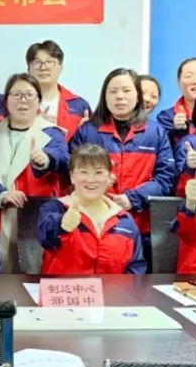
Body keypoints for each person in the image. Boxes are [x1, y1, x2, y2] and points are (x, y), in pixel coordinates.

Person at [69, 68, 174, 270]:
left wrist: (133, 198)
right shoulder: (88, 131)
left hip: (141, 224)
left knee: (137, 282)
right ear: (104, 96)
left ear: (137, 95)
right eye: (113, 91)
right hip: (93, 223)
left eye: (126, 90)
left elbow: (166, 178)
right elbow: (71, 172)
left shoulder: (155, 132)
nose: (120, 96)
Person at [0, 73, 69, 272]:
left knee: (34, 276)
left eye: (29, 95)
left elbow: (63, 159)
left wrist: (46, 160)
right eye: (16, 94)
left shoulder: (51, 133)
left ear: (39, 101)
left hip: (36, 217)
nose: (23, 100)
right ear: (6, 101)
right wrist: (0, 193)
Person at [37, 144, 146, 275]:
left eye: (98, 172)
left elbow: (135, 268)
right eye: (83, 172)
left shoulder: (125, 220)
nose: (90, 179)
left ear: (109, 177)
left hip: (113, 289)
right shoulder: (55, 208)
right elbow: (45, 237)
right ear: (72, 176)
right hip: (64, 288)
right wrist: (61, 225)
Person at [26, 40, 91, 141]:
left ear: (60, 68)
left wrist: (89, 134)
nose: (43, 67)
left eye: (49, 62)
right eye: (37, 62)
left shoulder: (79, 106)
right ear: (28, 69)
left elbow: (92, 146)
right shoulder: (17, 104)